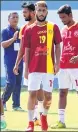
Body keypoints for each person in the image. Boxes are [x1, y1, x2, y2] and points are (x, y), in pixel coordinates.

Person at [51, 4, 78, 129]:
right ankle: (61, 121)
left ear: (70, 15)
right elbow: (60, 48)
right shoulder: (63, 30)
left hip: (77, 67)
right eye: (60, 18)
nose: (62, 20)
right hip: (63, 66)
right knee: (62, 92)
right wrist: (57, 63)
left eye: (64, 17)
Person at [23, 1, 62, 131]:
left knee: (49, 96)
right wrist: (25, 68)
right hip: (33, 68)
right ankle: (30, 122)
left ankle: (44, 116)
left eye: (43, 11)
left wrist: (57, 63)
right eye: (39, 10)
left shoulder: (53, 27)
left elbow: (57, 46)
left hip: (49, 67)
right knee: (32, 94)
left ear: (47, 12)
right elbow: (27, 50)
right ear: (35, 12)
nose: (41, 13)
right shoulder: (29, 29)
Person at [13, 1, 44, 126]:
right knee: (32, 91)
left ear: (32, 12)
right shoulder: (24, 29)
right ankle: (36, 118)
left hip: (43, 64)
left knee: (41, 91)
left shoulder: (44, 26)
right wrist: (17, 64)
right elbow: (22, 48)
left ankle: (42, 115)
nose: (23, 15)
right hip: (29, 65)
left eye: (25, 12)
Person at [1, 12, 24, 112]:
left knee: (18, 83)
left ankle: (16, 105)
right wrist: (13, 39)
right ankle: (2, 102)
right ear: (8, 19)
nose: (15, 19)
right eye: (13, 17)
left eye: (17, 17)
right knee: (11, 83)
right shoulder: (5, 31)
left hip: (19, 61)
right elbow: (3, 44)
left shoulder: (21, 31)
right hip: (10, 61)